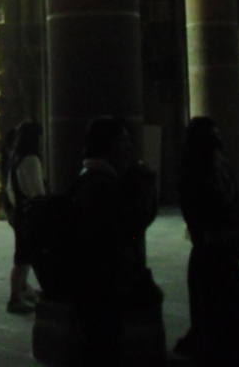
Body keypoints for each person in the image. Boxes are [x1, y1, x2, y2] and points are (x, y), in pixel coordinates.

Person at [70, 117, 158, 367]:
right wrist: (145, 196)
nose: (128, 148)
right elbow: (128, 233)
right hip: (103, 284)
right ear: (108, 146)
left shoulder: (86, 179)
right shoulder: (102, 185)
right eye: (123, 142)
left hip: (92, 282)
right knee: (104, 348)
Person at [177, 116, 239, 367]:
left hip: (225, 258)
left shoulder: (221, 168)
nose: (218, 141)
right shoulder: (194, 176)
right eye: (211, 137)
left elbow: (238, 201)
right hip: (210, 260)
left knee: (235, 326)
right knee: (217, 328)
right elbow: (205, 223)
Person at [5, 120, 45, 313]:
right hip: (30, 214)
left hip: (20, 211)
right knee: (23, 257)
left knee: (24, 255)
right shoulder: (31, 159)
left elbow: (10, 189)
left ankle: (22, 289)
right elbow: (37, 189)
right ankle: (15, 296)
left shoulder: (16, 158)